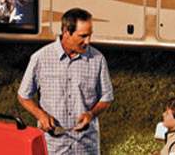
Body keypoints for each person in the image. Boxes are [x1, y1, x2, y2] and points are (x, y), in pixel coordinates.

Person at [17, 8, 114, 154]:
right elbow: (23, 95)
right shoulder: (40, 58)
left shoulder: (97, 59)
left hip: (86, 147)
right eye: (83, 36)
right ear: (66, 32)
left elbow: (107, 97)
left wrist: (91, 114)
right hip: (53, 147)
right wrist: (41, 115)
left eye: (90, 35)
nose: (88, 41)